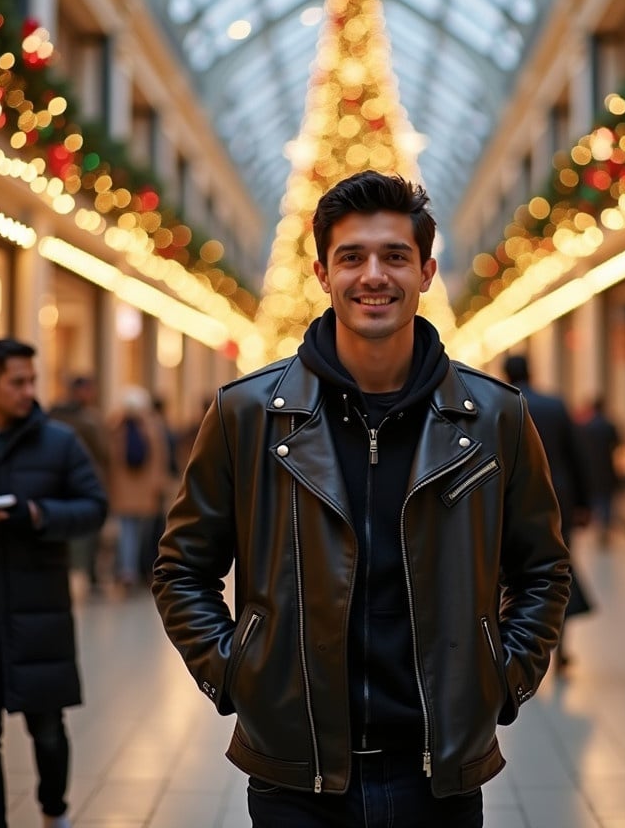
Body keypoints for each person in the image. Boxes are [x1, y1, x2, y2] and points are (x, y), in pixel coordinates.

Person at [153, 171, 570, 828]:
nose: (373, 275)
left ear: (427, 270)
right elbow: (182, 567)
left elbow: (542, 569)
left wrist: (504, 678)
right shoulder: (249, 414)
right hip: (297, 774)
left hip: (439, 775)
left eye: (395, 256)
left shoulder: (495, 418)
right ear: (322, 272)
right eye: (352, 257)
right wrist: (238, 675)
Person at [0, 338, 108, 828]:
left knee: (48, 729)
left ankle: (54, 810)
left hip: (39, 611)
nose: (29, 390)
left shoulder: (58, 441)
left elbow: (94, 507)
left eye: (32, 380)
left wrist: (38, 514)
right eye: (18, 382)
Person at [502, 353, 591, 669]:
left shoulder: (500, 404)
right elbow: (576, 455)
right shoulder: (554, 405)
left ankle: (514, 637)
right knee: (555, 566)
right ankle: (559, 642)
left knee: (511, 566)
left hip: (509, 497)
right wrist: (584, 503)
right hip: (559, 496)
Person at [48, 374, 111, 591]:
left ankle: (80, 573)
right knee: (86, 533)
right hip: (82, 481)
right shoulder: (87, 419)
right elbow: (103, 452)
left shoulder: (55, 415)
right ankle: (86, 574)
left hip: (58, 483)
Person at [108, 385, 169, 590]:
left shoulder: (117, 426)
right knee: (144, 533)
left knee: (126, 531)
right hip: (145, 490)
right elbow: (160, 457)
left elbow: (110, 459)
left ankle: (128, 570)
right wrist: (158, 484)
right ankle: (139, 569)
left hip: (124, 491)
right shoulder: (152, 426)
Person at [578, 397, 621, 546]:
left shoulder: (587, 427)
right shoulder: (609, 426)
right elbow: (617, 443)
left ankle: (599, 524)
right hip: (606, 466)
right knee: (607, 498)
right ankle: (605, 525)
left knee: (597, 496)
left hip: (592, 467)